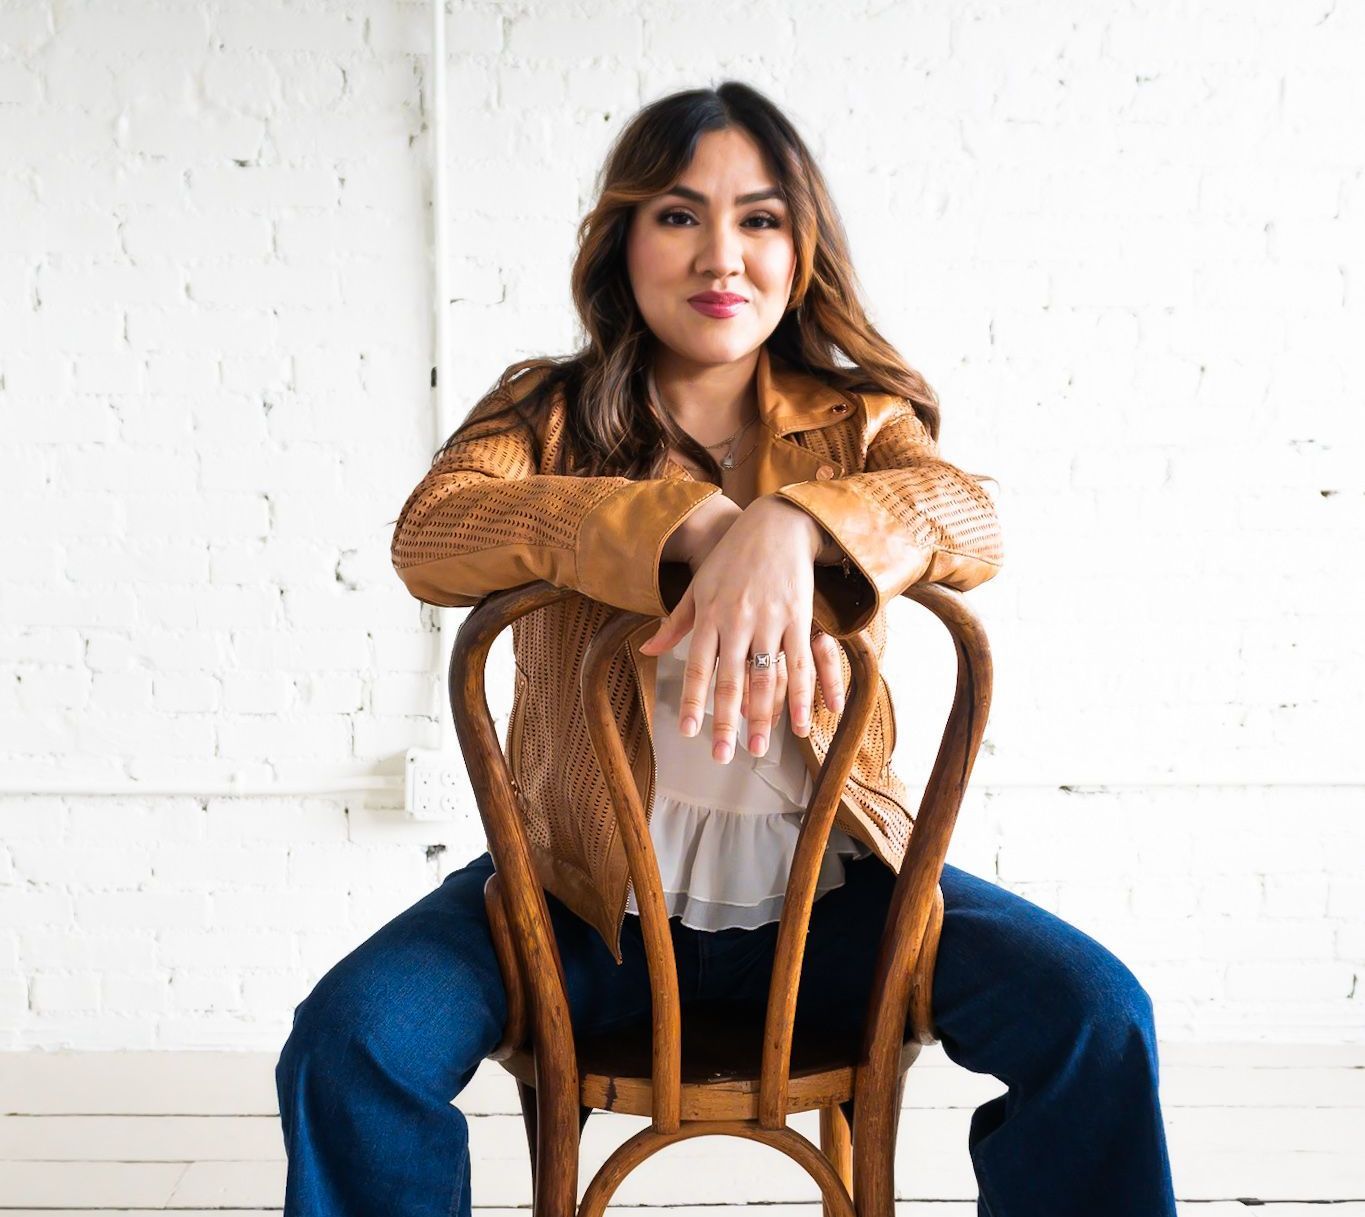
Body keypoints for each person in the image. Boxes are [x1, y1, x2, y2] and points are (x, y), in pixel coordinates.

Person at [274, 82, 1179, 1217]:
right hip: (576, 908)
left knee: (1098, 1014)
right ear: (623, 238)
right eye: (677, 214)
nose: (721, 255)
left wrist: (794, 522)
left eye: (758, 218)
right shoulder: (544, 412)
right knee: (350, 1042)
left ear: (801, 247)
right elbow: (432, 533)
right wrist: (682, 524)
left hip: (840, 902)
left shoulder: (858, 420)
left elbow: (968, 517)